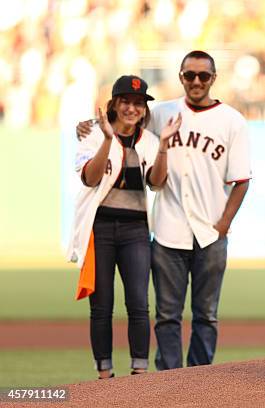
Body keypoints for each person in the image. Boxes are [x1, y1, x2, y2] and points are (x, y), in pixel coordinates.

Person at [76, 51, 252, 370]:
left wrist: (224, 223)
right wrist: (88, 125)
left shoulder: (233, 121)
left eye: (203, 76)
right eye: (189, 75)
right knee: (166, 316)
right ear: (180, 76)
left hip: (211, 232)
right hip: (169, 229)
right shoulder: (161, 112)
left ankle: (198, 380)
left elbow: (241, 180)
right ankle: (168, 382)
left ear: (213, 79)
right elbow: (123, 119)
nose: (196, 81)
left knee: (206, 316)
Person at [67, 75, 181, 378]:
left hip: (135, 232)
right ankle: (104, 373)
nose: (132, 108)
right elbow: (90, 178)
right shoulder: (92, 133)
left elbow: (156, 183)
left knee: (138, 303)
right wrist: (106, 139)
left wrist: (165, 146)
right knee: (101, 306)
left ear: (144, 109)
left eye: (138, 103)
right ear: (114, 105)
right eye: (126, 102)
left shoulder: (151, 140)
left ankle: (138, 373)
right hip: (100, 228)